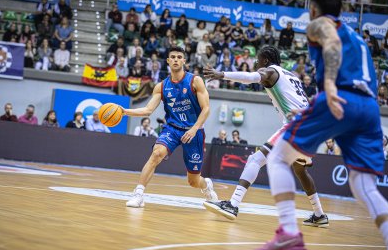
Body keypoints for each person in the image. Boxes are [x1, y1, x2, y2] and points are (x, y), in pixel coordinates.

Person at [248, 0, 388, 250]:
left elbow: (330, 39)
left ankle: (290, 233)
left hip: (339, 98)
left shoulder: (320, 24)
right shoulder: (359, 38)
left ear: (313, 8)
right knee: (362, 185)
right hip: (369, 108)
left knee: (277, 157)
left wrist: (328, 83)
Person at [204, 46, 328, 228]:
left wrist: (222, 74)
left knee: (255, 159)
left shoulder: (270, 71)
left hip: (295, 126)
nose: (257, 65)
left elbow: (251, 78)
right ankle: (319, 214)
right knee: (300, 169)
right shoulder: (292, 75)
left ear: (266, 61)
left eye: (258, 61)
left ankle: (233, 204)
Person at [121, 46, 218, 208]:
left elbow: (206, 109)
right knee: (156, 154)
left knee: (193, 181)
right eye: (172, 57)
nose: (175, 59)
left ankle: (206, 186)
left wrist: (194, 129)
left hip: (194, 131)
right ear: (167, 61)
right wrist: (125, 111)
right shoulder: (161, 86)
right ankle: (138, 194)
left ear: (184, 61)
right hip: (172, 128)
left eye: (179, 57)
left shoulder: (195, 81)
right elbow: (147, 110)